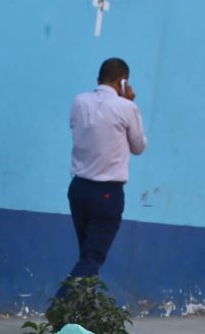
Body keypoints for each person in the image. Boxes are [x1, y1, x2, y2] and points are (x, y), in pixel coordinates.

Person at [62, 56, 146, 290]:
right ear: (122, 82)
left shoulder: (79, 101)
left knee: (87, 255)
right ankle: (60, 306)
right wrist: (130, 104)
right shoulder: (127, 107)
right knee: (92, 258)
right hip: (107, 193)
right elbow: (139, 147)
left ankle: (81, 313)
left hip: (78, 188)